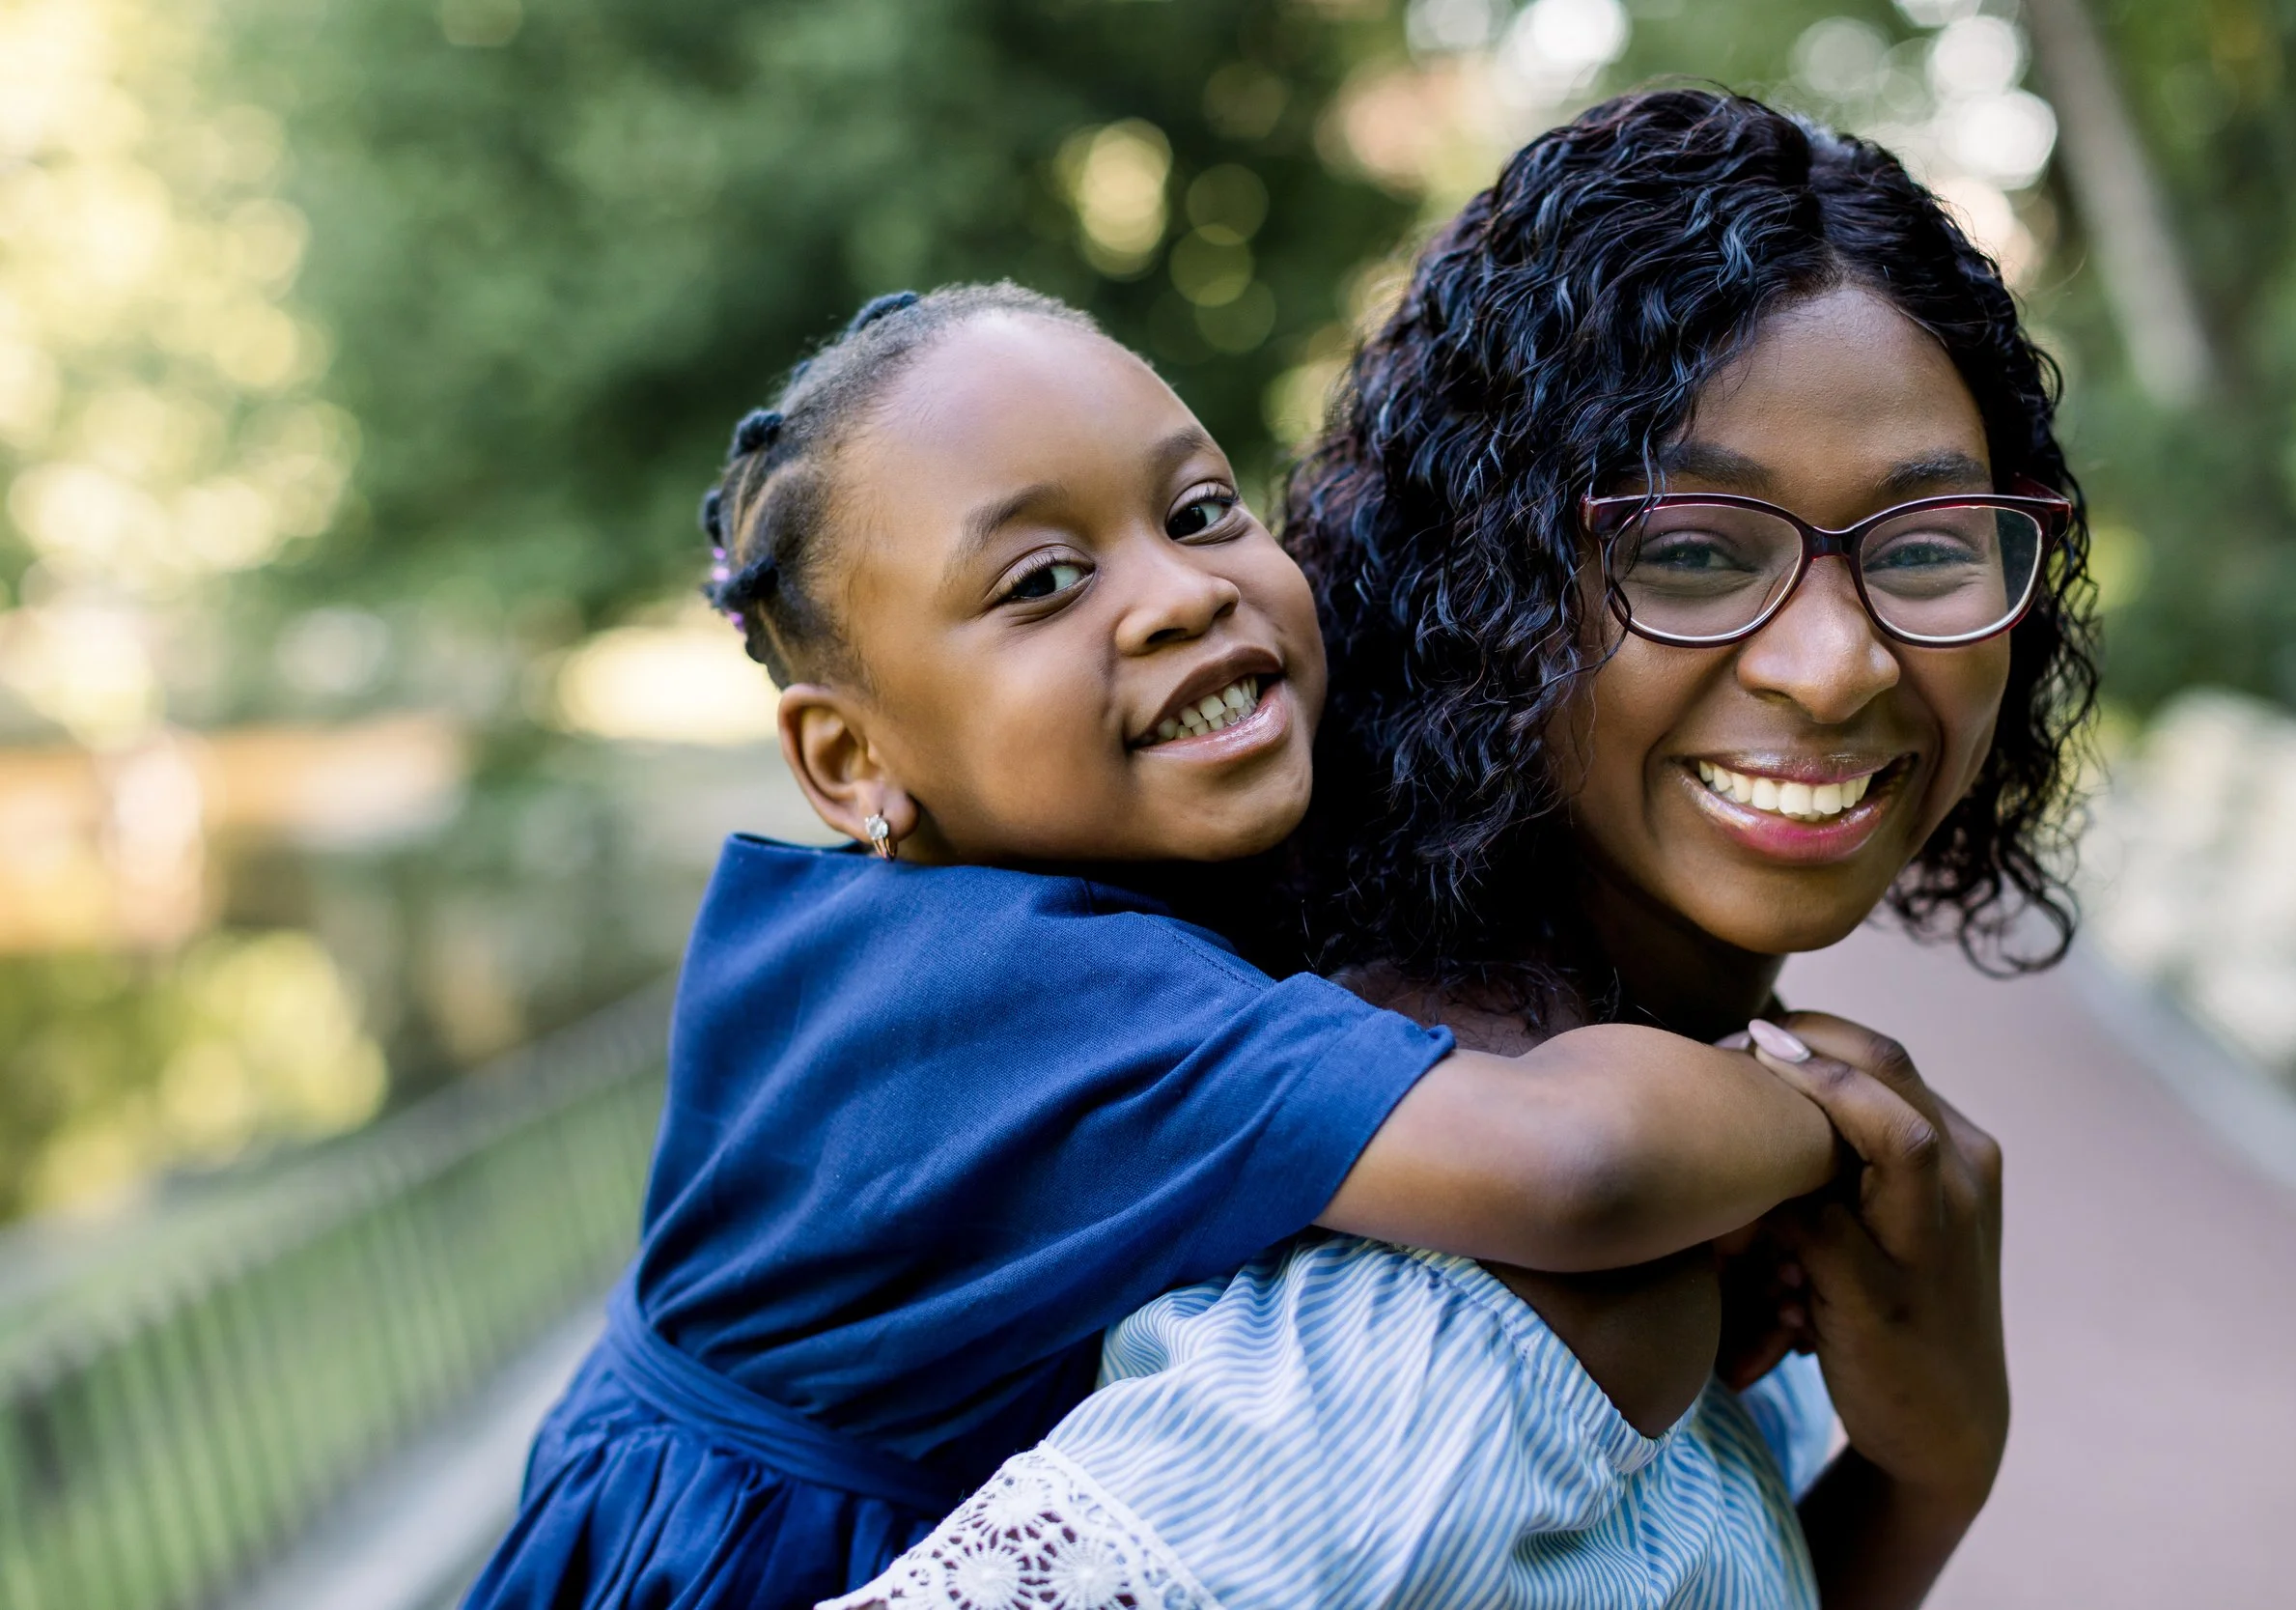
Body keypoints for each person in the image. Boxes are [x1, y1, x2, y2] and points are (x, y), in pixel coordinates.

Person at [831, 90, 2089, 1610]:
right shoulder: (1471, 1294)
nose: (1836, 666)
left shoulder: (1640, 1153)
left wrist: (1930, 1465)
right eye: (1689, 548)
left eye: (1927, 544)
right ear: (1490, 588)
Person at [462, 282, 1851, 1609]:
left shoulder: (960, 920)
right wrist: (1831, 1115)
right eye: (1043, 580)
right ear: (851, 755)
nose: (1178, 592)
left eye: (1199, 510)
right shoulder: (1006, 985)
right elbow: (1577, 1166)